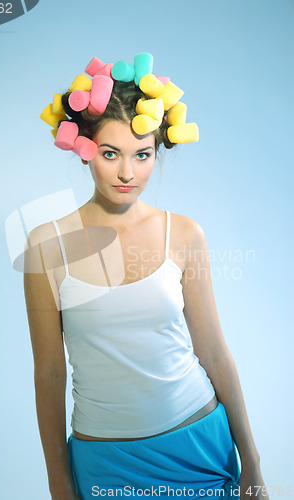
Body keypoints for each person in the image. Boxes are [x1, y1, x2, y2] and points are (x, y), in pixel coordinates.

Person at [23, 54, 269, 500]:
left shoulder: (184, 234)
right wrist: (58, 484)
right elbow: (49, 373)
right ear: (83, 150)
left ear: (157, 152)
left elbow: (213, 352)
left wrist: (252, 463)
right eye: (110, 153)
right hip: (105, 461)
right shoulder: (47, 246)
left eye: (143, 155)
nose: (126, 173)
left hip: (198, 446)